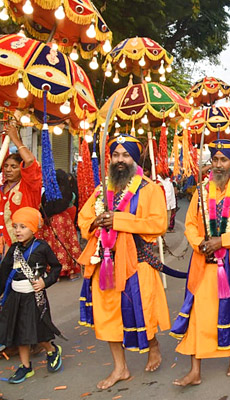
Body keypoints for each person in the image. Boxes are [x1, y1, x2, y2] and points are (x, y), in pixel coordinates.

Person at [77, 134, 170, 390]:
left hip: (137, 264)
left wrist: (118, 220)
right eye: (116, 155)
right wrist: (96, 222)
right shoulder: (101, 191)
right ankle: (121, 368)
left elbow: (157, 225)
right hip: (104, 266)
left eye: (125, 155)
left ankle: (153, 345)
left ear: (135, 159)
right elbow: (83, 220)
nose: (120, 160)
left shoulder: (150, 189)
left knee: (143, 314)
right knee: (108, 319)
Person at [171, 139, 230, 387]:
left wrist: (223, 241)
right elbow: (189, 224)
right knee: (197, 313)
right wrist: (199, 242)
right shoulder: (200, 191)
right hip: (203, 264)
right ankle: (195, 370)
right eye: (215, 160)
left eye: (224, 160)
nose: (218, 165)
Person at [0, 207, 63, 383]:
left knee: (38, 331)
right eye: (15, 226)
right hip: (15, 297)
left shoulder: (42, 248)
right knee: (20, 332)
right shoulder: (13, 250)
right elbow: (4, 272)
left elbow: (56, 267)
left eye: (23, 227)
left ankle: (51, 350)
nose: (18, 231)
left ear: (33, 228)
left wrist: (45, 282)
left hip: (34, 297)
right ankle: (26, 367)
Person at [0, 123, 42, 251]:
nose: (8, 170)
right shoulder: (2, 188)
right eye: (6, 166)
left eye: (13, 167)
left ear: (22, 169)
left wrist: (15, 138)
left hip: (21, 246)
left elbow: (29, 161)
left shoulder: (29, 185)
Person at [39, 169, 82, 279]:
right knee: (67, 244)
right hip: (64, 221)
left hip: (50, 221)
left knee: (53, 245)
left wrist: (46, 215)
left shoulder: (48, 192)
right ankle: (70, 270)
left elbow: (43, 205)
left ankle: (54, 272)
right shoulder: (68, 192)